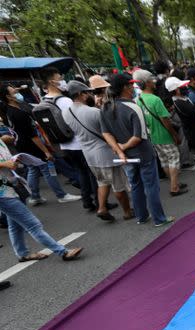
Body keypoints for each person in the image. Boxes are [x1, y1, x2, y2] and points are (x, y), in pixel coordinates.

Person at [100, 73, 174, 226]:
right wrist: (123, 147)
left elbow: (106, 133)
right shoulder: (133, 106)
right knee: (151, 186)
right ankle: (159, 218)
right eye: (130, 85)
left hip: (126, 156)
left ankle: (141, 216)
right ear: (125, 88)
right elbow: (138, 136)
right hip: (143, 153)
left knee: (135, 184)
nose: (133, 88)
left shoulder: (105, 107)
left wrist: (120, 150)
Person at [0, 138, 83, 261]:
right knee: (33, 224)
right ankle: (63, 252)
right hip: (3, 192)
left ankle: (22, 254)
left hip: (12, 186)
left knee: (15, 224)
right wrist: (4, 164)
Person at [63, 80, 134, 221]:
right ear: (80, 94)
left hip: (88, 154)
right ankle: (127, 211)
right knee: (118, 185)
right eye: (87, 92)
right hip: (105, 153)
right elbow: (108, 131)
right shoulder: (94, 112)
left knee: (102, 182)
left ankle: (101, 208)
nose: (90, 95)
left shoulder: (66, 112)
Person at [0, 84, 81, 206]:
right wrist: (46, 151)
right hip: (32, 145)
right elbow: (33, 136)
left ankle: (35, 196)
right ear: (8, 97)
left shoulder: (9, 111)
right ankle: (61, 195)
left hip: (22, 145)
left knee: (33, 169)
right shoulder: (19, 113)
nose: (17, 92)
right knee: (47, 169)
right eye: (14, 91)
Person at [40, 67, 99, 211]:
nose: (62, 81)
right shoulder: (65, 101)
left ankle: (88, 200)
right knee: (91, 174)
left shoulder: (44, 100)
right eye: (59, 79)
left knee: (81, 172)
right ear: (51, 82)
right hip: (78, 142)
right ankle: (98, 202)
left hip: (64, 145)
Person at [132, 70, 187, 197]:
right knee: (173, 159)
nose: (154, 82)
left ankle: (175, 183)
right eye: (152, 80)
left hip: (153, 136)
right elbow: (166, 120)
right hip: (164, 135)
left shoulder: (139, 99)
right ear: (147, 83)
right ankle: (174, 187)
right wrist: (174, 135)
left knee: (164, 161)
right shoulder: (155, 99)